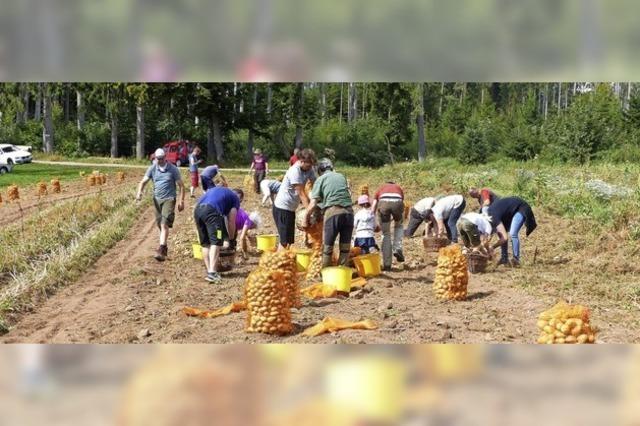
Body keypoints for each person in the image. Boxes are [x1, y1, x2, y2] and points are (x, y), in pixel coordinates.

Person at [136, 148, 185, 261]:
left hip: (169, 199)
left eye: (162, 158)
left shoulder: (173, 169)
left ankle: (161, 249)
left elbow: (181, 186)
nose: (160, 160)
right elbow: (143, 182)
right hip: (157, 200)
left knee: (164, 224)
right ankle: (165, 246)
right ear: (155, 158)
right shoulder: (152, 168)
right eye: (158, 159)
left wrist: (181, 201)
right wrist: (139, 193)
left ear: (165, 157)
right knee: (160, 224)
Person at [305, 158, 354, 267]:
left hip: (333, 212)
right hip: (349, 213)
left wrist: (306, 218)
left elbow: (313, 203)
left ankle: (326, 273)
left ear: (320, 170)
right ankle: (342, 273)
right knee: (345, 248)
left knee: (327, 247)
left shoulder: (321, 179)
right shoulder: (341, 176)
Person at [194, 187, 242, 283]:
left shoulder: (219, 192)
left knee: (205, 244)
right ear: (240, 199)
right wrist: (232, 239)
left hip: (197, 211)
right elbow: (231, 221)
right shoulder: (235, 200)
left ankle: (210, 271)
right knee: (216, 241)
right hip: (212, 212)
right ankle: (212, 272)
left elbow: (196, 205)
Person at [273, 148, 317, 250]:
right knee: (284, 242)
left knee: (289, 241)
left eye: (311, 164)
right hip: (282, 208)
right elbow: (301, 193)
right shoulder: (294, 171)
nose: (310, 166)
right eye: (309, 164)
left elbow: (316, 183)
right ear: (302, 161)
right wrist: (310, 212)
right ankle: (281, 263)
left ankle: (285, 261)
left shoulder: (309, 169)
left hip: (291, 209)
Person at [487, 196, 537, 267]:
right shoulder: (489, 217)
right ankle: (504, 259)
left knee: (513, 233)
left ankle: (516, 259)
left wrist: (492, 247)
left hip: (520, 208)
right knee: (501, 234)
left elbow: (504, 238)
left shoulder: (493, 217)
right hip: (510, 212)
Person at [372, 181, 405, 271]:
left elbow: (374, 204)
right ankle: (397, 248)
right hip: (397, 203)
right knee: (398, 226)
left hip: (383, 204)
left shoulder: (381, 188)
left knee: (386, 233)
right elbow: (401, 202)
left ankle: (387, 265)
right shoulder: (398, 187)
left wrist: (372, 217)